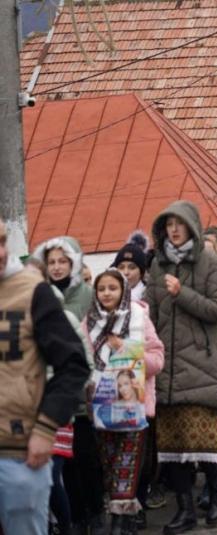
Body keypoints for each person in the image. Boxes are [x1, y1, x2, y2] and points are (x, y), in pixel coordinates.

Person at [145, 200, 217, 534]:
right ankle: (185, 509)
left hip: (201, 365)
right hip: (166, 368)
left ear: (192, 226)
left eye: (179, 224)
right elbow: (152, 313)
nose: (174, 230)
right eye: (169, 225)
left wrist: (183, 294)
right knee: (172, 445)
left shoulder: (209, 262)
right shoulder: (157, 265)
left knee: (204, 441)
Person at [0, 220, 90, 535]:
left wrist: (45, 426)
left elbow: (74, 364)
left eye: (1, 242)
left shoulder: (33, 292)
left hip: (19, 451)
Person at [83, 269, 165, 535]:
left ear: (124, 291)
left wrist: (127, 351)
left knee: (126, 463)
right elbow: (80, 359)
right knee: (109, 465)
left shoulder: (139, 316)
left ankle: (119, 524)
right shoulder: (89, 322)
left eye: (112, 288)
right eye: (102, 289)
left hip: (134, 407)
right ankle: (127, 516)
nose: (107, 293)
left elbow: (157, 358)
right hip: (101, 407)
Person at [112, 231, 151, 301]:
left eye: (132, 267)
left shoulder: (151, 299)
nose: (126, 272)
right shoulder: (108, 298)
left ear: (141, 273)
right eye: (121, 267)